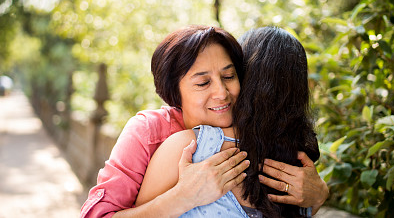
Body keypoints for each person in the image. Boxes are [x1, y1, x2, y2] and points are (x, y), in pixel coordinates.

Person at [81, 25, 328, 218]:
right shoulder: (151, 131)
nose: (222, 93)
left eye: (230, 76)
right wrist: (182, 197)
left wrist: (320, 195)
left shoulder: (266, 142)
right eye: (202, 83)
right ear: (175, 94)